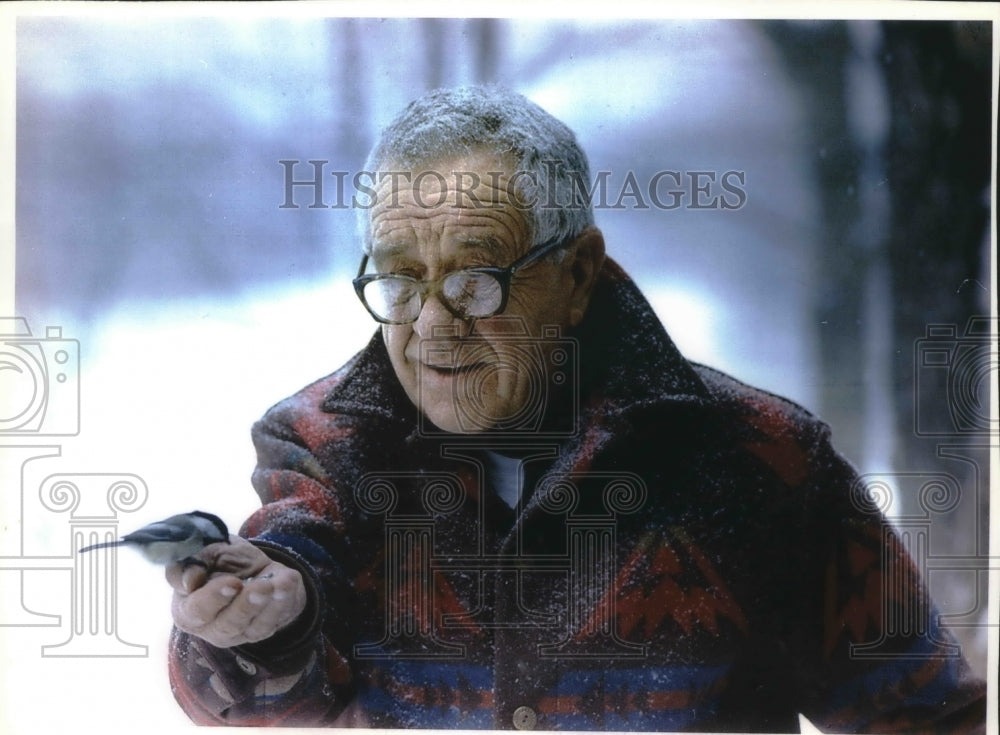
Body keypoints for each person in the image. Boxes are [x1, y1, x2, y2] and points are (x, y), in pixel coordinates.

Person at [166, 85, 986, 731]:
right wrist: (264, 622)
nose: (430, 323)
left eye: (474, 277)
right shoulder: (327, 443)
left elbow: (923, 713)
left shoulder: (758, 461)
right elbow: (270, 670)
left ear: (578, 272)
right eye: (401, 279)